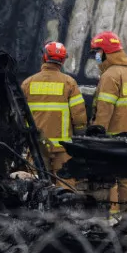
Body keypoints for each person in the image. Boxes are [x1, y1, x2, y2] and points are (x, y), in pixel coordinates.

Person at [90, 31, 127, 214]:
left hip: (112, 137)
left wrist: (97, 133)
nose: (95, 56)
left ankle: (110, 215)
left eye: (97, 51)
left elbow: (105, 109)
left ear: (105, 52)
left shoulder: (110, 76)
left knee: (109, 177)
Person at [21, 41, 87, 185]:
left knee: (36, 183)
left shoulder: (28, 83)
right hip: (63, 147)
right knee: (65, 183)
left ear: (44, 57)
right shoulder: (69, 83)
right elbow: (79, 114)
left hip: (38, 145)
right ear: (63, 61)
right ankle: (66, 207)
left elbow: (19, 114)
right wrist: (80, 137)